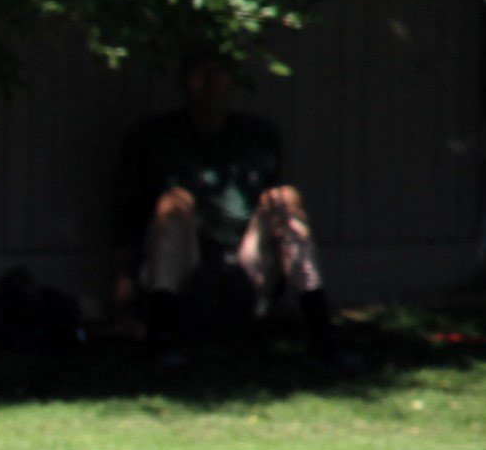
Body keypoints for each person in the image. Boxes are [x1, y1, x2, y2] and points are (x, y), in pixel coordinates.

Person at [109, 47, 342, 356]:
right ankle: (161, 335)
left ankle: (321, 329)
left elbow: (274, 219)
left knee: (284, 197)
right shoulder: (152, 136)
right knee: (174, 202)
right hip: (183, 271)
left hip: (245, 267)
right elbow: (128, 218)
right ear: (183, 82)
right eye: (200, 73)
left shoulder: (258, 136)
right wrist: (124, 302)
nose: (210, 83)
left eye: (219, 72)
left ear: (234, 81)